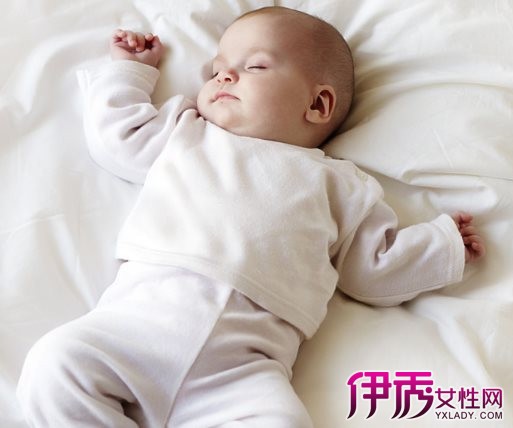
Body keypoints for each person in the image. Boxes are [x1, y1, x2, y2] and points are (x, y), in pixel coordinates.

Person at [16, 6, 485, 428]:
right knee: (54, 365)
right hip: (135, 329)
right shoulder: (188, 134)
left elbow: (372, 268)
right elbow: (119, 137)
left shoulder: (342, 185)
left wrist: (440, 246)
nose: (224, 76)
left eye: (254, 66)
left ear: (318, 104)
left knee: (281, 420)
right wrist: (129, 73)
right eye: (216, 70)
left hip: (241, 369)